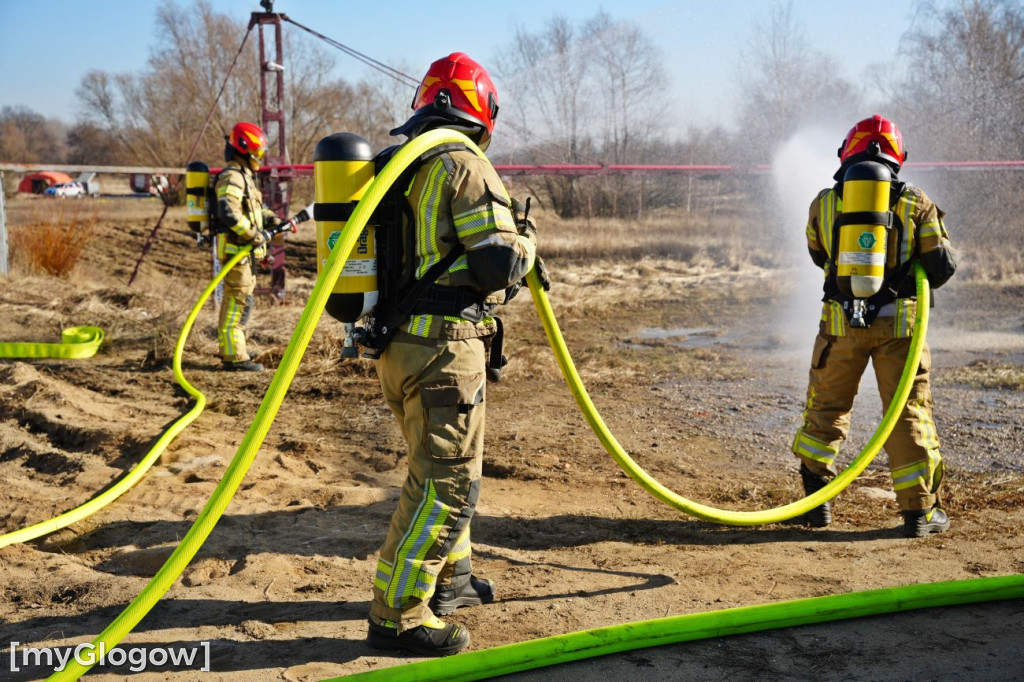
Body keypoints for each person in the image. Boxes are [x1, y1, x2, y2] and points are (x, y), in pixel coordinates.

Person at [364, 52, 543, 656]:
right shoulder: (464, 163)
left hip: (397, 347)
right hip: (443, 349)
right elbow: (497, 264)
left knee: (437, 469)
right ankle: (399, 615)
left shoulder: (397, 164)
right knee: (447, 484)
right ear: (482, 111)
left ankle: (452, 581)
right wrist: (529, 241)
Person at [792, 115, 958, 538]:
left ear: (847, 150)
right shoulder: (916, 202)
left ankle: (816, 504)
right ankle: (919, 514)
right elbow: (941, 268)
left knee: (826, 408)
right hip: (899, 330)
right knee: (907, 414)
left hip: (839, 326)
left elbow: (817, 255)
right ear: (897, 156)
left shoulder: (824, 203)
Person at [214, 121, 278, 372]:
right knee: (236, 304)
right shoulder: (232, 176)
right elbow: (227, 212)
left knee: (242, 303)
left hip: (244, 255)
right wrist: (255, 236)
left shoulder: (244, 177)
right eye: (258, 153)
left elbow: (254, 209)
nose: (259, 158)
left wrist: (272, 219)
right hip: (236, 254)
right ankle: (235, 358)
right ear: (243, 150)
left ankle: (234, 347)